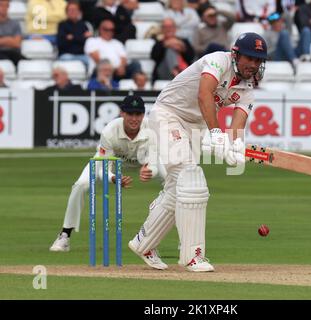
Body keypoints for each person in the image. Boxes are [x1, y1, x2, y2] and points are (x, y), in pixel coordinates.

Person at [128, 32, 268, 272]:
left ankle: (144, 242)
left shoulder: (248, 89)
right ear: (236, 55)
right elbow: (204, 94)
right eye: (249, 58)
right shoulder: (217, 61)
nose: (253, 65)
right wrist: (216, 133)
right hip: (169, 115)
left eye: (258, 60)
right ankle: (193, 256)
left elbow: (237, 127)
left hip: (195, 126)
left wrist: (233, 147)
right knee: (192, 180)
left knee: (177, 188)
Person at [50, 95, 157, 254]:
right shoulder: (110, 131)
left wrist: (150, 169)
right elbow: (102, 170)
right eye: (130, 114)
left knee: (174, 178)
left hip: (142, 162)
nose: (134, 118)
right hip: (112, 162)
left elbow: (158, 158)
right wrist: (113, 178)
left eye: (138, 114)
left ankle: (183, 240)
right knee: (81, 185)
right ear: (122, 113)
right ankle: (65, 235)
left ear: (143, 114)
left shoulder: (152, 129)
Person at [150, 18, 195, 83]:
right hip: (165, 72)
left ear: (175, 28)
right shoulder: (159, 43)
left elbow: (191, 57)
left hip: (184, 70)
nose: (168, 29)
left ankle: (177, 73)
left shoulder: (183, 42)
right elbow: (154, 57)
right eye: (165, 27)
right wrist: (165, 45)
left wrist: (183, 48)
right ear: (162, 29)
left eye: (170, 26)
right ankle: (176, 73)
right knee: (170, 50)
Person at [57, 0, 92, 68]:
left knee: (91, 61)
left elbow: (87, 42)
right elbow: (61, 43)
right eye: (70, 10)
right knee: (66, 59)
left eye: (75, 9)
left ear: (79, 12)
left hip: (82, 55)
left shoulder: (83, 25)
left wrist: (72, 37)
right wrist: (81, 37)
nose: (73, 12)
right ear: (66, 12)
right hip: (66, 55)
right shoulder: (62, 25)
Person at [0, 0, 23, 66]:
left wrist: (1, 40)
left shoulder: (15, 24)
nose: (3, 8)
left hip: (13, 54)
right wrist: (9, 39)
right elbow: (14, 42)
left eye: (6, 5)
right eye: (1, 5)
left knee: (27, 63)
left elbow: (17, 43)